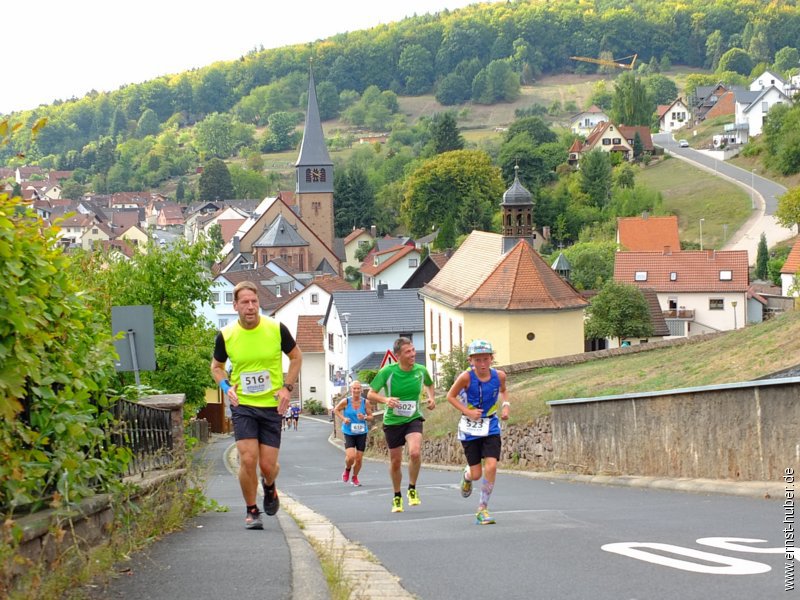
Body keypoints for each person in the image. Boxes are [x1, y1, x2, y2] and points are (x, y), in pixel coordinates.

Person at [210, 281, 302, 530]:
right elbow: (216, 367)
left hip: (271, 405)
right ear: (236, 305)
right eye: (245, 303)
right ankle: (252, 510)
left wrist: (287, 387)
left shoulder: (275, 328)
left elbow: (296, 357)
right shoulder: (227, 335)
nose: (251, 307)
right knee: (248, 459)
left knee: (267, 466)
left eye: (254, 302)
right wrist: (227, 388)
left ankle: (270, 486)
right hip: (244, 406)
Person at [367, 337, 435, 513]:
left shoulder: (420, 370)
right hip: (393, 421)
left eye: (413, 350)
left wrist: (432, 398)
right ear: (398, 356)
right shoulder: (387, 372)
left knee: (414, 452)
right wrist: (385, 399)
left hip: (413, 418)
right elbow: (371, 394)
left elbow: (429, 384)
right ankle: (397, 496)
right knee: (395, 461)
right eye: (408, 352)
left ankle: (412, 489)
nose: (413, 354)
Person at [446, 339, 509, 525]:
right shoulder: (466, 377)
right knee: (476, 474)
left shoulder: (499, 376)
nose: (482, 364)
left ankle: (482, 508)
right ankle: (466, 476)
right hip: (469, 427)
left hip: (490, 425)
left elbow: (504, 392)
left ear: (492, 359)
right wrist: (468, 412)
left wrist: (505, 406)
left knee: (491, 466)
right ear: (470, 361)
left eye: (485, 359)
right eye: (477, 360)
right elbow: (450, 396)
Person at [334, 380, 373, 487]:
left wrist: (364, 417)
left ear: (361, 390)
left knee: (359, 458)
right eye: (354, 388)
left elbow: (371, 417)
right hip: (349, 432)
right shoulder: (345, 401)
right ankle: (347, 469)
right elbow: (336, 410)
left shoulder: (366, 402)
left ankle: (355, 477)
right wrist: (343, 418)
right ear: (351, 390)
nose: (356, 390)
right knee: (351, 457)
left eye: (358, 388)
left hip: (361, 432)